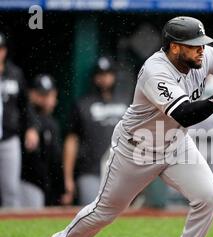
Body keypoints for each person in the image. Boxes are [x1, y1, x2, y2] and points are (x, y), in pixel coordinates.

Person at [49, 16, 213, 237]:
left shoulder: (202, 57)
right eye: (194, 45)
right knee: (106, 210)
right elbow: (184, 114)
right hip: (136, 149)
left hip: (176, 145)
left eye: (202, 44)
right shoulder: (154, 71)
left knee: (208, 197)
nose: (201, 49)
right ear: (174, 47)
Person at [61, 56, 128, 206]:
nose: (104, 79)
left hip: (121, 173)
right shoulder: (83, 104)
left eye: (108, 74)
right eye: (100, 75)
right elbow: (71, 141)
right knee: (90, 214)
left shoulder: (126, 103)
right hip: (90, 171)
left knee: (121, 219)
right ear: (94, 78)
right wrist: (68, 178)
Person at [0, 32, 39, 208]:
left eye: (1, 48)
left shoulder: (14, 73)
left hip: (9, 138)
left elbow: (25, 106)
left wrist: (31, 127)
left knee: (10, 189)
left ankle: (7, 232)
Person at [20, 74, 64, 208]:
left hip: (47, 185)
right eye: (41, 95)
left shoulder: (52, 122)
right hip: (27, 182)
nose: (46, 100)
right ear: (31, 94)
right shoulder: (23, 119)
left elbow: (55, 159)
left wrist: (61, 187)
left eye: (49, 95)